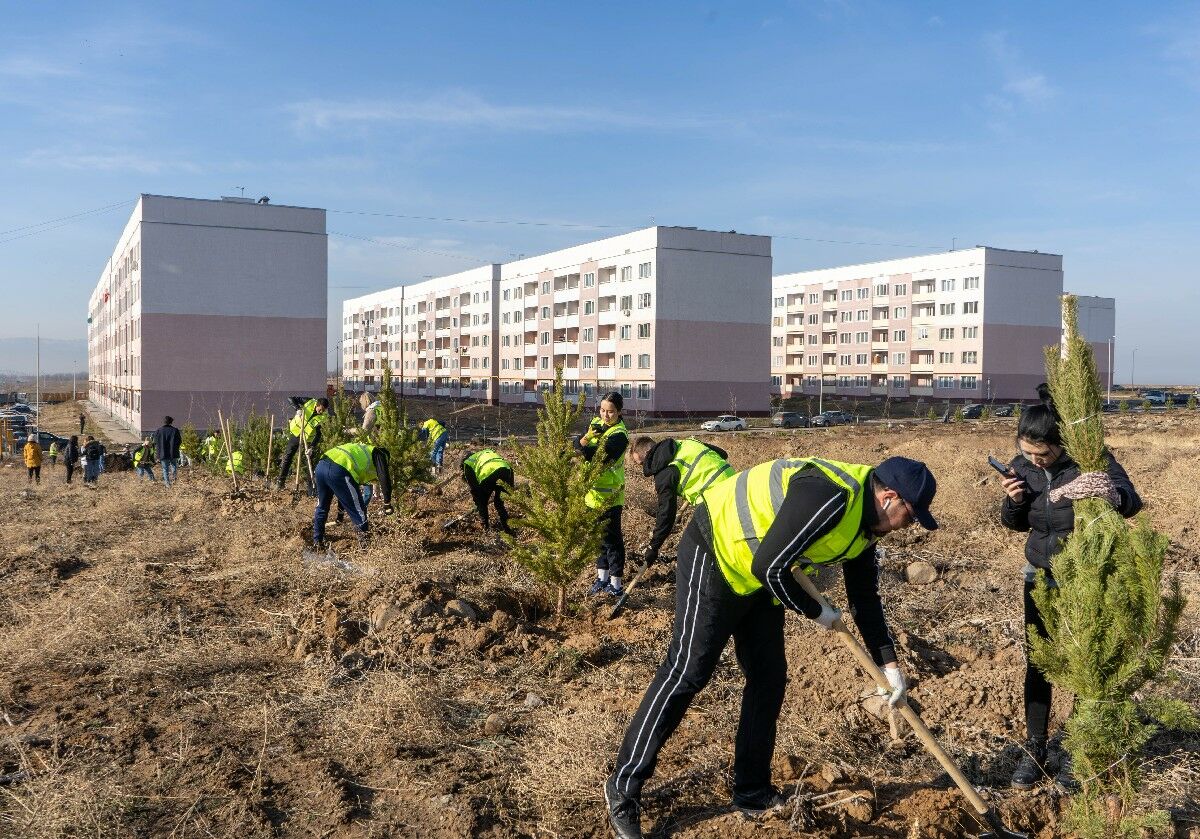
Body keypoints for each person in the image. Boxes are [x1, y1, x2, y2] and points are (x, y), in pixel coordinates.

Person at [604, 455, 938, 839]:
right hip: (716, 553)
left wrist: (890, 667)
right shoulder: (831, 496)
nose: (907, 527)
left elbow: (864, 599)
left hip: (761, 576)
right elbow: (770, 566)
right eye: (910, 516)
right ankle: (623, 786)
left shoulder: (868, 528)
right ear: (889, 498)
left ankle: (751, 790)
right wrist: (816, 612)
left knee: (768, 678)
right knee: (688, 671)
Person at [998, 384, 1141, 791]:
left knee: (1084, 662)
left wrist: (1108, 494)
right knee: (1039, 661)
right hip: (1039, 575)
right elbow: (1016, 524)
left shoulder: (1090, 462)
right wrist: (1013, 501)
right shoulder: (1021, 466)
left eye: (1041, 454)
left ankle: (1076, 752)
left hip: (1084, 576)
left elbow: (1132, 501)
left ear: (1061, 445)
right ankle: (1036, 747)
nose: (1033, 460)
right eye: (1026, 452)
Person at [627, 435, 735, 567]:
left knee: (697, 546)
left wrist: (653, 547)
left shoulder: (665, 472)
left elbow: (666, 513)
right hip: (735, 484)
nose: (644, 467)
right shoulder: (686, 443)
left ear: (647, 453)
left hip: (715, 500)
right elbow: (722, 454)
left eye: (642, 463)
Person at [575, 392, 629, 597]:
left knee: (612, 540)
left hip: (611, 497)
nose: (606, 415)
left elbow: (597, 457)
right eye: (603, 410)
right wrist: (587, 437)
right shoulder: (596, 424)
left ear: (620, 412)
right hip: (591, 495)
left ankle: (616, 584)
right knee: (597, 539)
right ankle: (602, 578)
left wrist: (584, 445)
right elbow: (577, 443)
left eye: (611, 412)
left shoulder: (619, 436)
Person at [313, 442, 395, 550]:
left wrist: (340, 516)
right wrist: (387, 502)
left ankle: (317, 542)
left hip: (321, 466)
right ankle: (365, 548)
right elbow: (384, 477)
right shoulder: (379, 453)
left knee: (322, 507)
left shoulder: (360, 452)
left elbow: (342, 493)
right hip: (339, 470)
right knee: (359, 511)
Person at [277, 397, 329, 488]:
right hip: (296, 433)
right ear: (317, 405)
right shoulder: (309, 402)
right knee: (288, 456)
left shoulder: (323, 417)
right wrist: (298, 409)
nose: (321, 412)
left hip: (308, 440)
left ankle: (311, 488)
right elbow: (291, 398)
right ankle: (280, 481)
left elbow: (318, 434)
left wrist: (312, 447)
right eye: (320, 409)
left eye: (323, 410)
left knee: (309, 462)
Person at [461, 447, 515, 535]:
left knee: (481, 501)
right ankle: (509, 530)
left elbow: (475, 489)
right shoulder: (487, 452)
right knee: (499, 503)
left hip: (489, 475)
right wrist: (510, 489)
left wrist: (478, 503)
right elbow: (505, 466)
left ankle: (485, 527)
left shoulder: (467, 464)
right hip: (506, 472)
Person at [153, 415, 182, 487]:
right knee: (174, 466)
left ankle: (167, 483)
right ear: (171, 422)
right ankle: (174, 479)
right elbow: (179, 441)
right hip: (173, 452)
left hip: (163, 453)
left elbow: (155, 442)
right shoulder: (175, 430)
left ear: (164, 422)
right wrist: (175, 447)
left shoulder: (159, 430)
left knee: (165, 469)